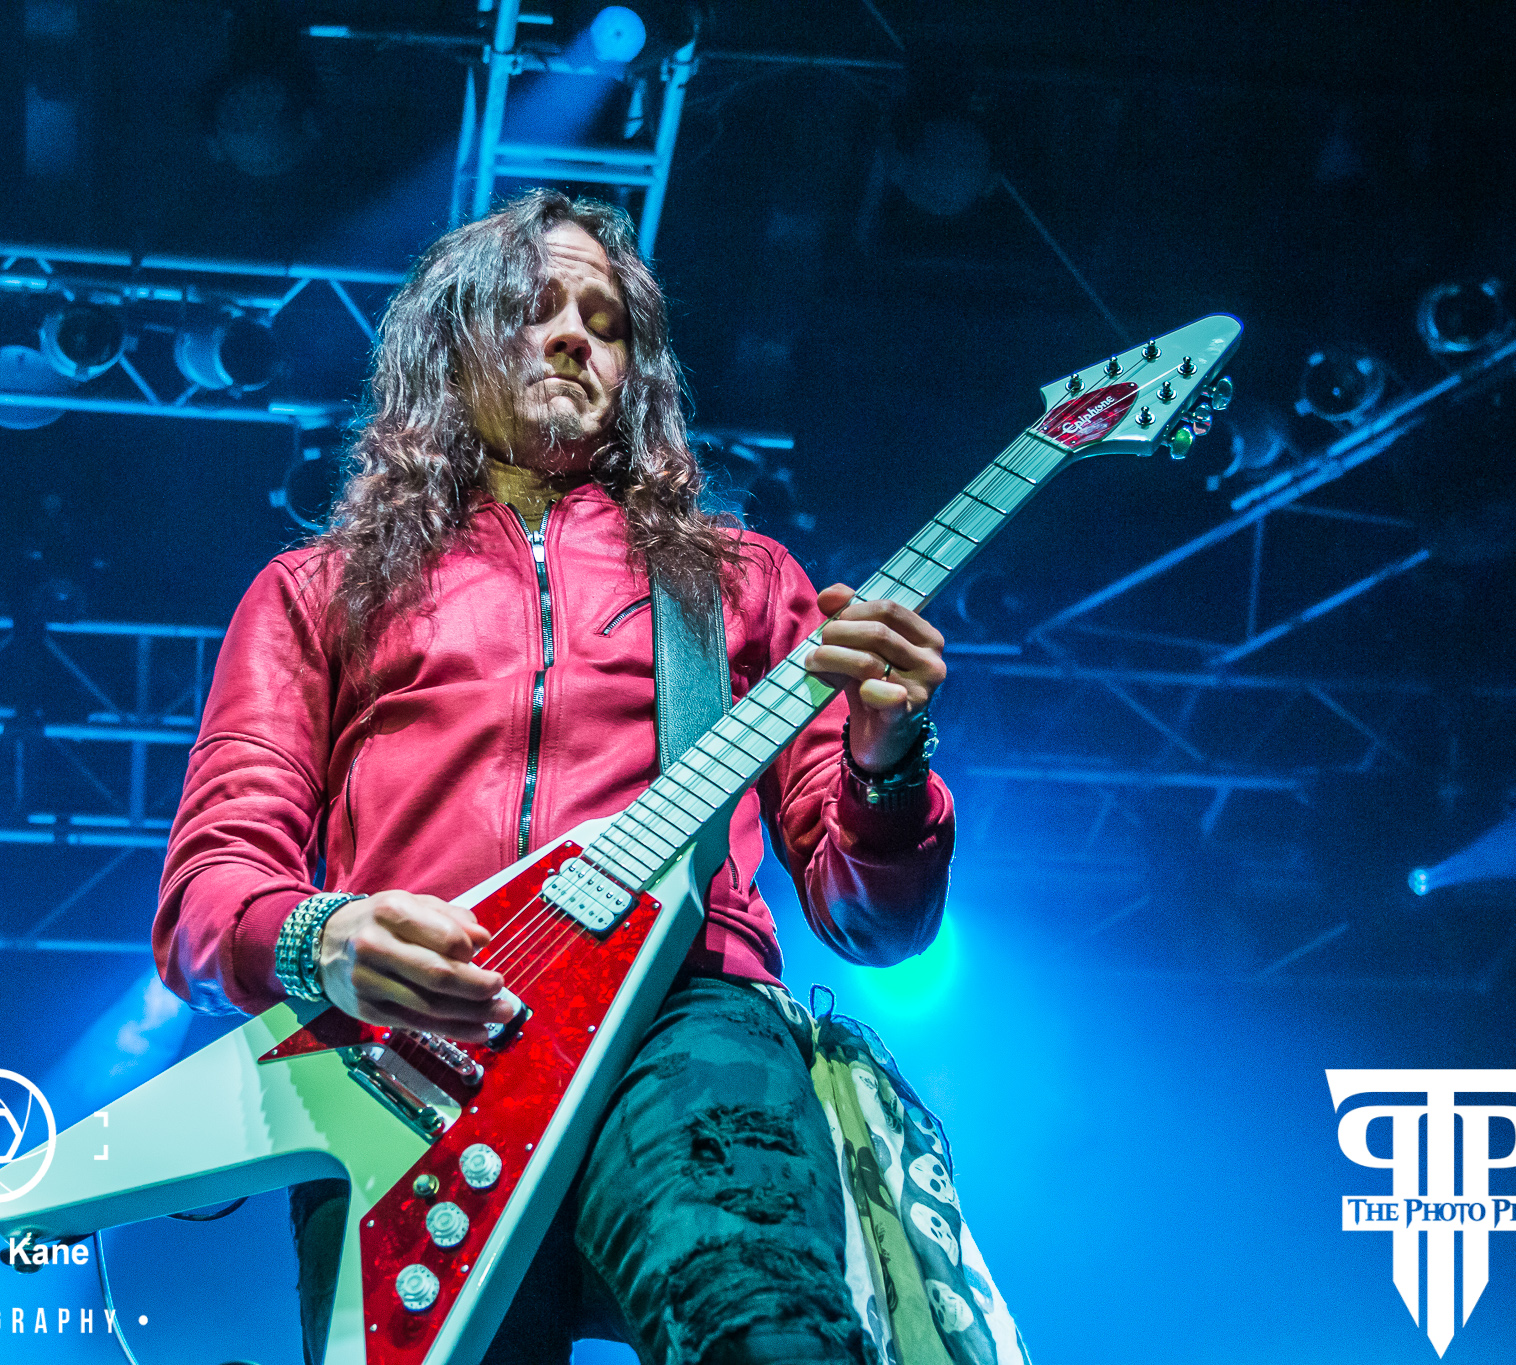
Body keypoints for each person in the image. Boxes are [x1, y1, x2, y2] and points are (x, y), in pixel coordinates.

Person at [153, 190, 955, 1365]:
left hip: (683, 1016)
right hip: (405, 1063)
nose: (576, 335)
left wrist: (885, 763)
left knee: (764, 1322)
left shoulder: (740, 582)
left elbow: (871, 921)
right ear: (452, 344)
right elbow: (208, 891)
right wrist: (325, 939)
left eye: (606, 321)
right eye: (535, 308)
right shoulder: (314, 592)